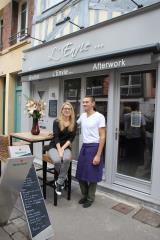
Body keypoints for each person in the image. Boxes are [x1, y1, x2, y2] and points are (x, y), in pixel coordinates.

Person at [76, 96, 106, 208]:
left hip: (94, 147)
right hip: (84, 147)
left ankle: (90, 198)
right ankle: (84, 195)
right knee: (80, 173)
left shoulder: (99, 117)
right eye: (83, 102)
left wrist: (98, 155)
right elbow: (72, 126)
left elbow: (102, 137)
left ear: (93, 103)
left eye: (87, 102)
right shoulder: (83, 116)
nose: (84, 104)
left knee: (92, 175)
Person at [48, 102, 77, 195]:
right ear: (62, 110)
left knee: (67, 159)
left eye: (69, 109)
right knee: (57, 161)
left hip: (66, 146)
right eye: (65, 108)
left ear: (71, 111)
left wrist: (63, 149)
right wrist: (59, 149)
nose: (67, 110)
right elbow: (56, 136)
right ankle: (64, 178)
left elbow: (71, 139)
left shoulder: (74, 123)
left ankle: (59, 182)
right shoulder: (56, 121)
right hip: (54, 145)